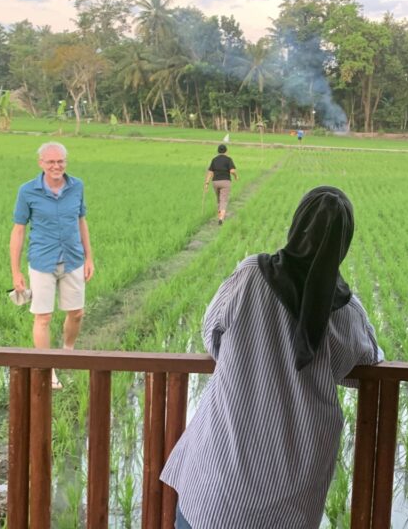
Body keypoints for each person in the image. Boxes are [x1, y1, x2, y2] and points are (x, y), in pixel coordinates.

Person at [161, 186, 383, 529]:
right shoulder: (346, 313)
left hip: (218, 486)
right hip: (292, 497)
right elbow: (366, 363)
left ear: (296, 226)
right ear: (343, 243)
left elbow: (212, 333)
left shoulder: (252, 276)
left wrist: (247, 360)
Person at [10, 142, 95, 390]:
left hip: (73, 258)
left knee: (77, 312)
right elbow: (18, 231)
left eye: (60, 161)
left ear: (65, 162)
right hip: (42, 260)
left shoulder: (77, 186)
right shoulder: (27, 191)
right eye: (50, 162)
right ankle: (49, 368)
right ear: (41, 164)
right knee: (43, 317)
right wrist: (15, 271)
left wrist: (89, 257)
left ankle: (67, 352)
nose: (56, 166)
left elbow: (82, 222)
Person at [204, 144, 238, 225]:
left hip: (215, 182)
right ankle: (221, 218)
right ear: (226, 151)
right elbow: (232, 171)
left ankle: (219, 215)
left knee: (219, 199)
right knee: (224, 200)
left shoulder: (214, 160)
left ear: (218, 151)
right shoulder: (228, 159)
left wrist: (206, 183)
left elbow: (210, 172)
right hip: (225, 182)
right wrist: (236, 176)